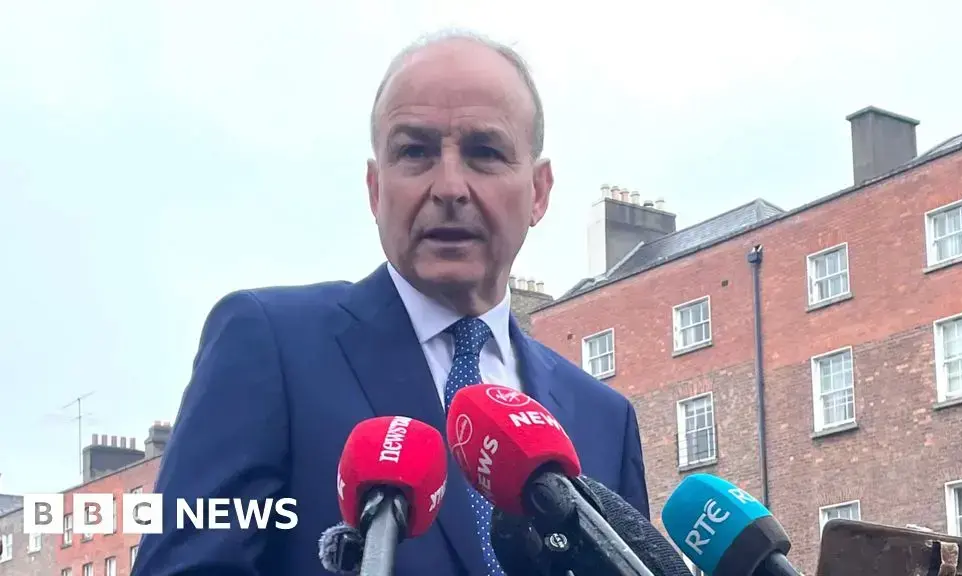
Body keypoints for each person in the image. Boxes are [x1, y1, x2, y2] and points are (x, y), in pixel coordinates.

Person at [131, 30, 649, 576]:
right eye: (415, 152)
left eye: (484, 153)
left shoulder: (602, 420)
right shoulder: (266, 344)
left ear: (539, 191)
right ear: (376, 188)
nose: (449, 186)